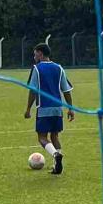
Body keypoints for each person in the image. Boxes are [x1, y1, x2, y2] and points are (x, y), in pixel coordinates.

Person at [23, 42, 74, 175]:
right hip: (58, 108)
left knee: (42, 138)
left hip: (44, 107)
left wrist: (28, 109)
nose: (34, 57)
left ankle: (56, 154)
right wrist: (70, 108)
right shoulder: (59, 68)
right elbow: (66, 90)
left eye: (35, 54)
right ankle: (57, 166)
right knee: (55, 136)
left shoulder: (37, 68)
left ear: (40, 53)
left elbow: (33, 91)